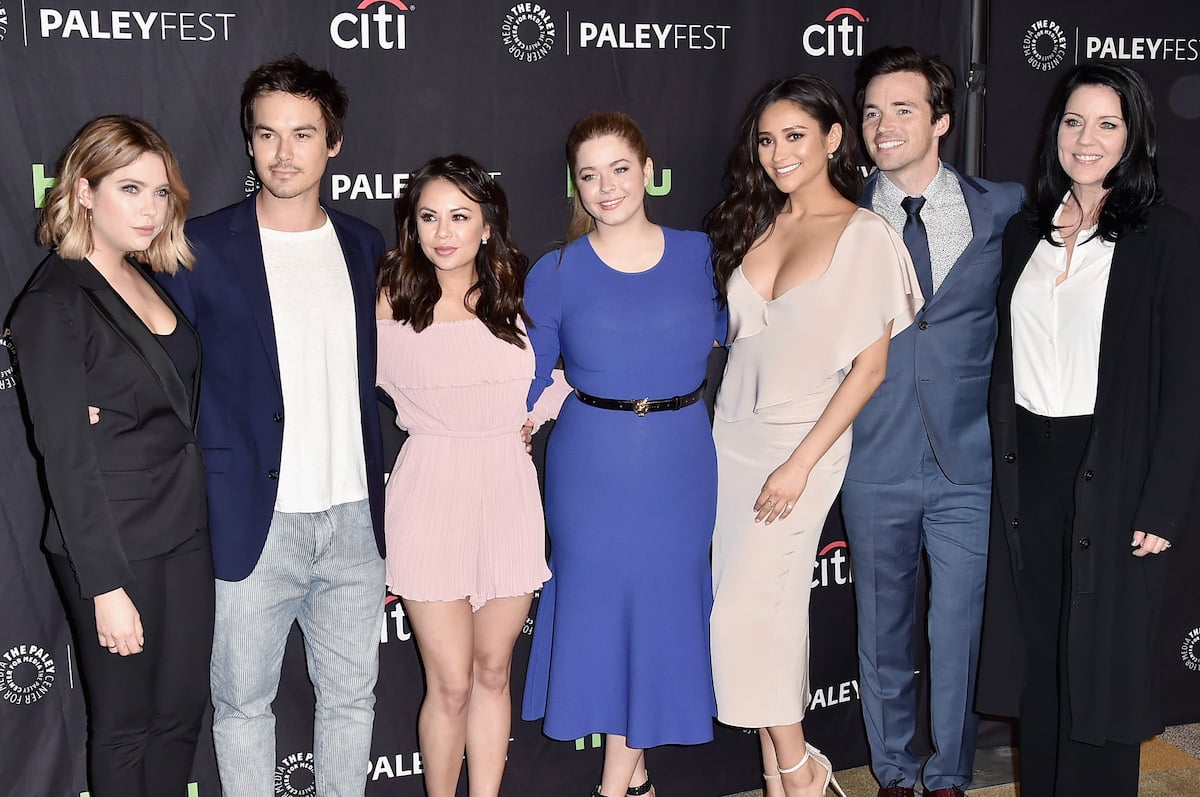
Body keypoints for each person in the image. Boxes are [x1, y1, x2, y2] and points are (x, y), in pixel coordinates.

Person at [156, 56, 387, 796]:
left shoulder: (363, 245)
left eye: (303, 134)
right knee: (243, 705)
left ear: (334, 144)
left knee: (352, 701)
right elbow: (159, 367)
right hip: (251, 522)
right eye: (267, 135)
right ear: (249, 143)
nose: (284, 153)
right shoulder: (199, 245)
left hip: (354, 521)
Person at [975, 61, 1200, 797]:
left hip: (1115, 469)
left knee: (1100, 670)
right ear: (1055, 132)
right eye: (1074, 120)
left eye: (1108, 123)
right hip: (1029, 471)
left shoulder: (1164, 237)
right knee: (1041, 660)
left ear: (1134, 137)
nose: (1087, 137)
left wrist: (1162, 504)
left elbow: (1186, 382)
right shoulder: (1023, 236)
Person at [705, 75, 921, 797]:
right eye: (766, 140)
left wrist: (800, 463)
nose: (777, 153)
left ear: (834, 138)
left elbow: (870, 368)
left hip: (801, 444)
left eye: (795, 135)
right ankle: (782, 773)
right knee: (756, 617)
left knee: (749, 612)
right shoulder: (761, 223)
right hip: (729, 441)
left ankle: (800, 770)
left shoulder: (864, 235)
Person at [521, 111, 724, 797]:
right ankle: (624, 783)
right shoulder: (554, 272)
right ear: (575, 186)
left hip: (680, 462)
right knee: (604, 619)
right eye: (589, 175)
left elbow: (762, 338)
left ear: (647, 169)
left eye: (619, 170)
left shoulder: (704, 255)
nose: (606, 187)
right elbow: (532, 374)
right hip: (590, 468)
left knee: (661, 613)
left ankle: (627, 783)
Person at [839, 46, 1024, 797]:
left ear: (942, 119)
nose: (883, 126)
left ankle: (947, 775)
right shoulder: (837, 216)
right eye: (873, 111)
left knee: (957, 633)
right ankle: (892, 772)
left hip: (969, 464)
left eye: (903, 109)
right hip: (872, 458)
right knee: (880, 633)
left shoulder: (1003, 206)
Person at [8, 115, 211, 796]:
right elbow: (65, 457)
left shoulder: (143, 276)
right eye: (131, 189)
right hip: (112, 543)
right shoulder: (52, 302)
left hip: (183, 526)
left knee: (181, 715)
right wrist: (105, 586)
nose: (152, 209)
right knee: (127, 725)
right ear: (85, 191)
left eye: (161, 192)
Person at [376, 155, 567, 797]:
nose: (443, 231)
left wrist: (530, 418)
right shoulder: (388, 299)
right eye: (428, 216)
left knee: (493, 671)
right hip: (429, 489)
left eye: (460, 216)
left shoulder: (520, 297)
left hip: (507, 490)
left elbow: (569, 370)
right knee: (450, 680)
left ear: (487, 226)